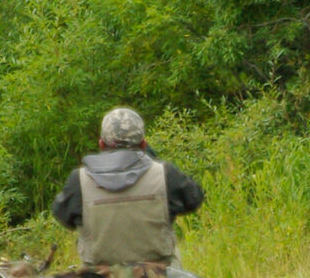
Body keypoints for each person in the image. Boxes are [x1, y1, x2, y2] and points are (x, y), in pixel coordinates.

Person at [51, 107, 205, 268]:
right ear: (144, 143)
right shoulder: (164, 173)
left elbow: (62, 215)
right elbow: (194, 199)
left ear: (101, 144)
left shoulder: (79, 180)